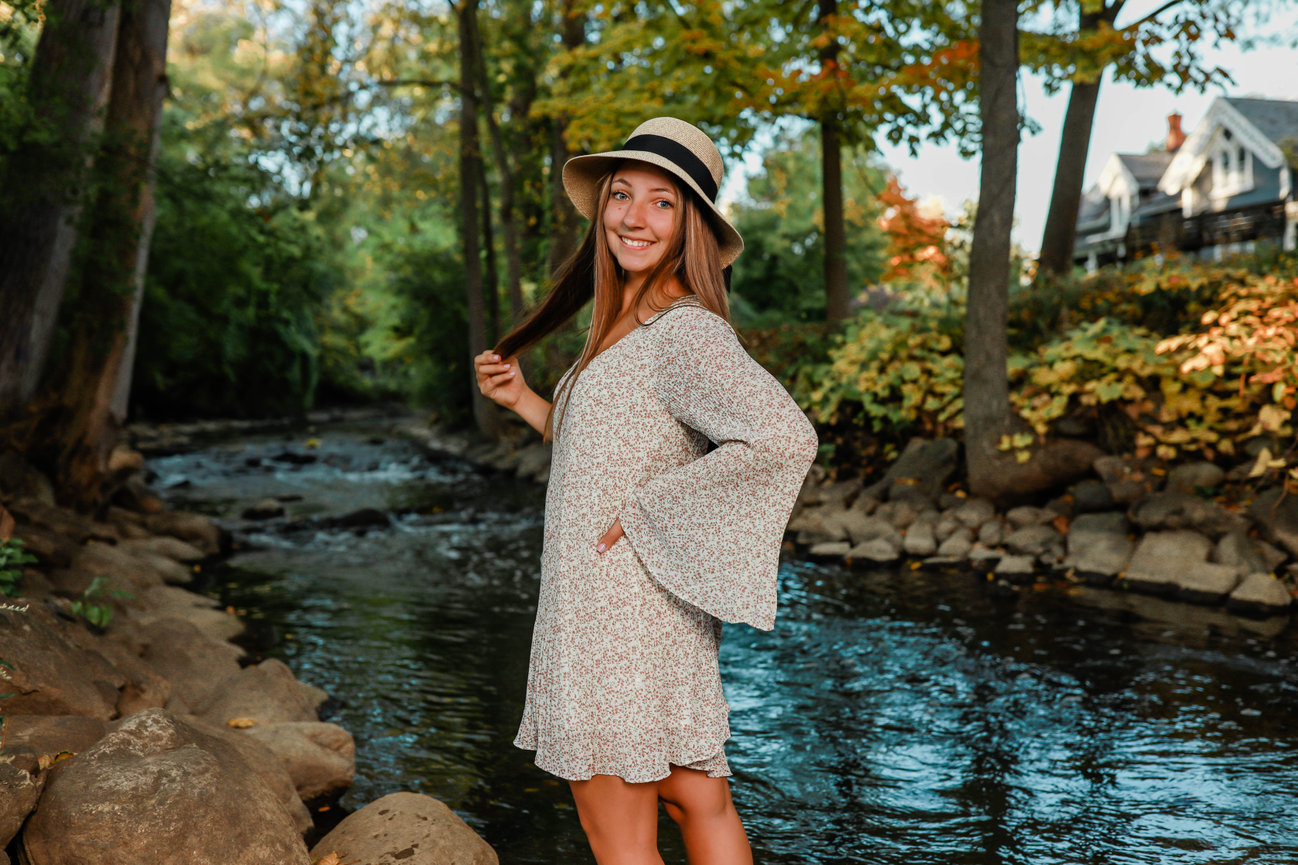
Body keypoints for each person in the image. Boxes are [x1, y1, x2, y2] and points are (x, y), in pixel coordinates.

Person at [473, 117, 818, 865]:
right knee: (701, 797)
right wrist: (531, 404)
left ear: (691, 222)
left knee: (621, 843)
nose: (633, 216)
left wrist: (645, 511)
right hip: (644, 612)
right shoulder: (621, 323)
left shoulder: (682, 331)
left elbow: (787, 439)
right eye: (621, 194)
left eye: (663, 202)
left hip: (614, 615)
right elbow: (605, 453)